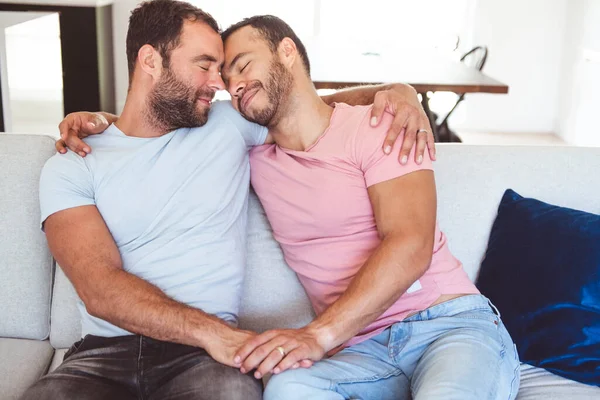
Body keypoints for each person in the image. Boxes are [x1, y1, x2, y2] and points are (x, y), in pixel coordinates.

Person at [24, 1, 434, 399]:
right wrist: (216, 334)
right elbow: (99, 287)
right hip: (104, 356)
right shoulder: (72, 164)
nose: (219, 84)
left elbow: (305, 107)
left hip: (205, 361)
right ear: (150, 61)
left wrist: (398, 90)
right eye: (204, 66)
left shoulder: (228, 123)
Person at [212, 15, 519, 400]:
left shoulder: (376, 125)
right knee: (289, 388)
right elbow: (160, 122)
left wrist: (317, 335)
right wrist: (110, 121)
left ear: (287, 51)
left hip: (448, 325)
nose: (236, 85)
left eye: (243, 66)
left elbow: (411, 244)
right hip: (361, 351)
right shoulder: (251, 150)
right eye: (228, 82)